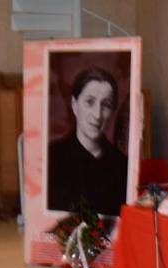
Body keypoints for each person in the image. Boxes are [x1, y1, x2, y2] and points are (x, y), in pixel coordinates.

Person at [47, 67, 129, 216]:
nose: (97, 115)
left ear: (112, 111)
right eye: (89, 102)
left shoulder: (122, 166)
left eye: (106, 105)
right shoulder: (51, 157)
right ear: (74, 105)